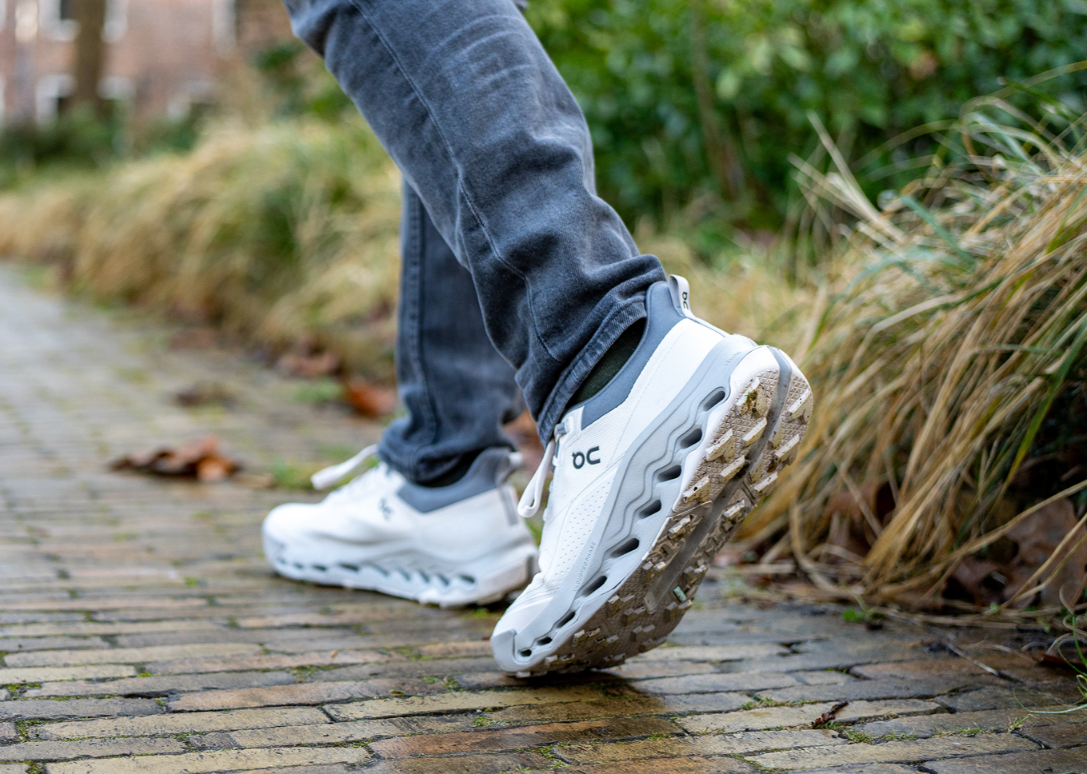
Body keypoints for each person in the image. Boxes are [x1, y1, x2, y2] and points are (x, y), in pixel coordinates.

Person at [261, 0, 813, 675]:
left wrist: (595, 327)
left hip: (600, 332)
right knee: (426, 63)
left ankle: (607, 355)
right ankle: (446, 467)